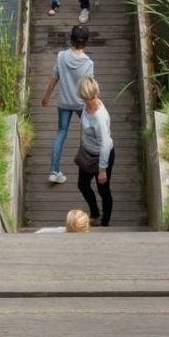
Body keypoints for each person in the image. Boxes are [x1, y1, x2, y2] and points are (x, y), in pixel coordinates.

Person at [41, 24, 94, 184]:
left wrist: (46, 97)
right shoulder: (88, 63)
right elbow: (89, 89)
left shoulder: (61, 56)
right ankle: (89, 166)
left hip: (64, 102)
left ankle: (54, 171)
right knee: (87, 131)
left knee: (61, 133)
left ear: (71, 39)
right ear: (86, 42)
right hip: (81, 104)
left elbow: (54, 78)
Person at [74, 76, 114, 227]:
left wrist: (102, 169)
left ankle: (105, 223)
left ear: (87, 95)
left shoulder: (99, 117)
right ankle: (95, 213)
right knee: (83, 185)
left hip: (101, 157)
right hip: (87, 153)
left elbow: (104, 144)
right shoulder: (87, 105)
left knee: (103, 190)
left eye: (82, 96)